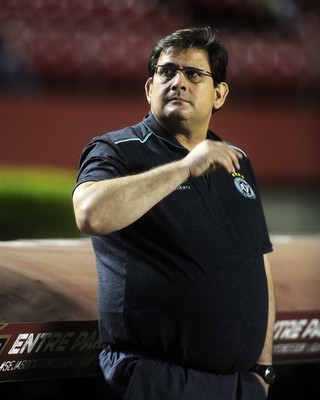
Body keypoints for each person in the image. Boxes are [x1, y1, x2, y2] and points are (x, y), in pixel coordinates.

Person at [72, 26, 276, 400]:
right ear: (150, 88)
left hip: (238, 385)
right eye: (167, 72)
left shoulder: (236, 160)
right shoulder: (117, 149)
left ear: (219, 95)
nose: (178, 81)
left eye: (193, 74)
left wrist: (261, 369)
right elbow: (90, 214)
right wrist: (183, 167)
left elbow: (258, 261)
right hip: (157, 378)